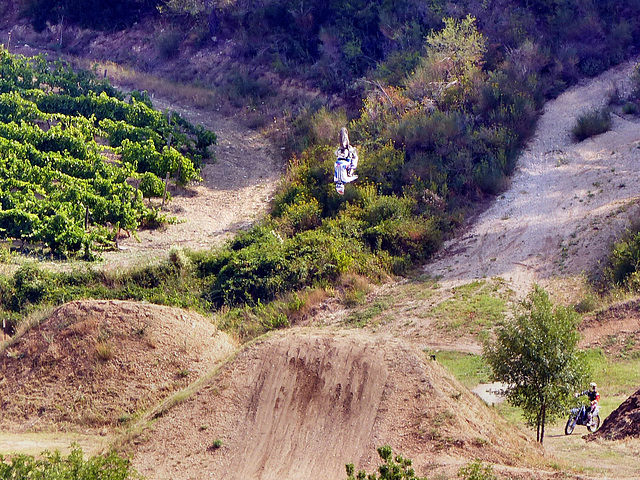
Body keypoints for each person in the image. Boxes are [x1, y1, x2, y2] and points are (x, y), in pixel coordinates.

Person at [333, 127, 358, 195]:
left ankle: (353, 152)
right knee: (349, 170)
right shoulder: (335, 179)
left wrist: (355, 176)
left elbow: (352, 178)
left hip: (344, 163)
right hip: (338, 162)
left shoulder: (345, 180)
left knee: (354, 164)